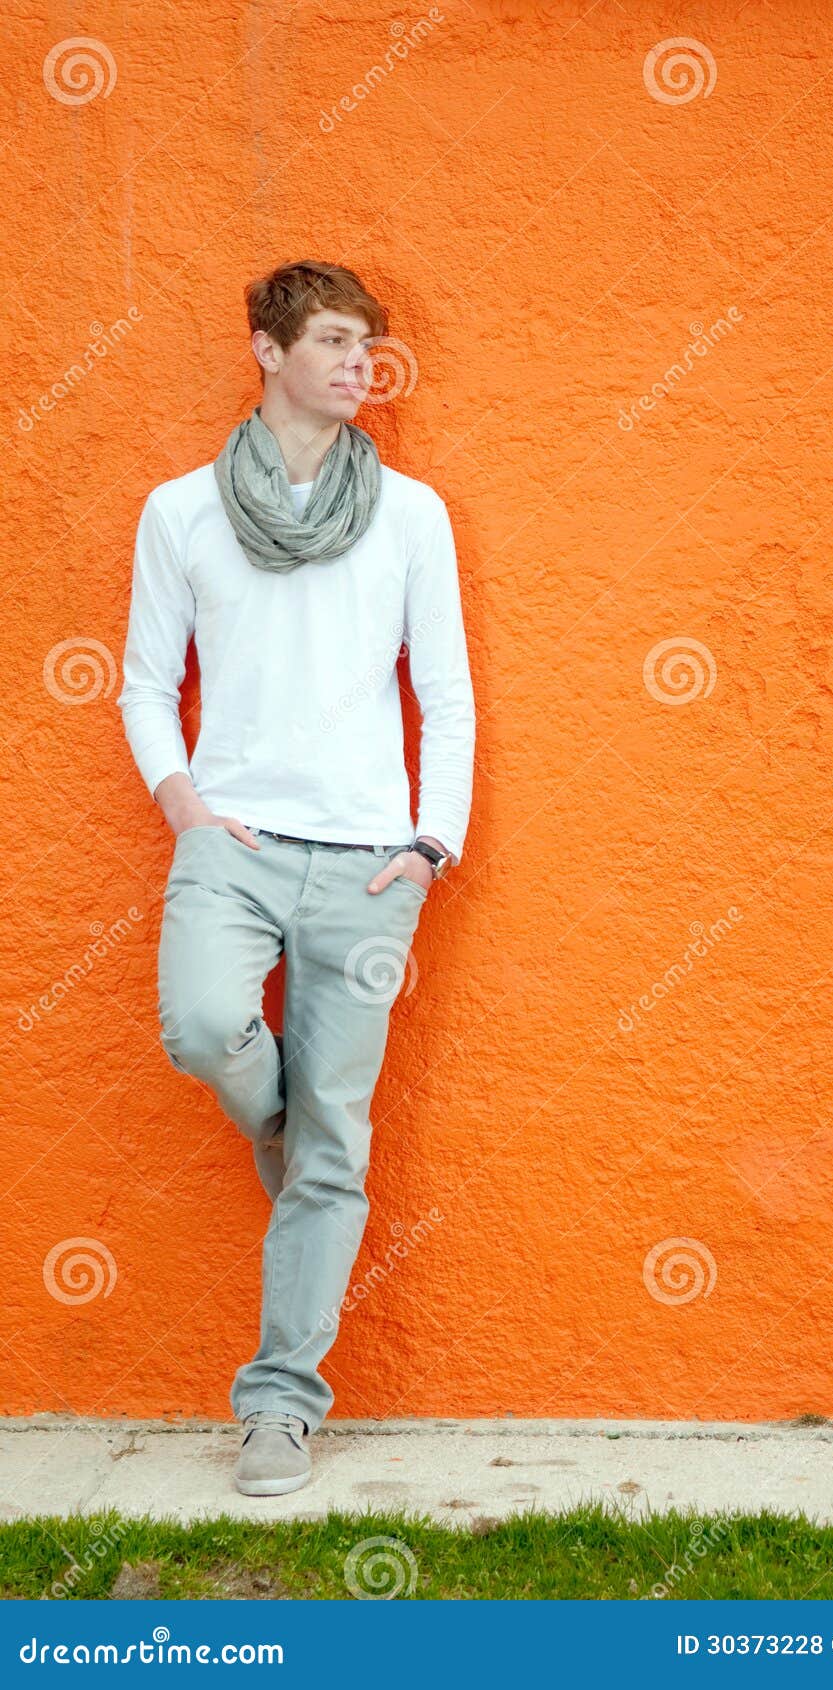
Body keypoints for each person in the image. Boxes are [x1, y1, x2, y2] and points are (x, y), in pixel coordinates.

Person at [116, 259, 475, 1496]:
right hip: (235, 847)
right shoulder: (181, 512)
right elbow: (146, 681)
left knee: (340, 1142)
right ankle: (293, 1133)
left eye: (367, 344)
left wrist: (432, 843)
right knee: (206, 1025)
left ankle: (279, 1405)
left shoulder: (412, 514)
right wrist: (187, 809)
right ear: (268, 352)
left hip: (371, 864)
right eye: (331, 340)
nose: (358, 362)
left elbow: (446, 691)